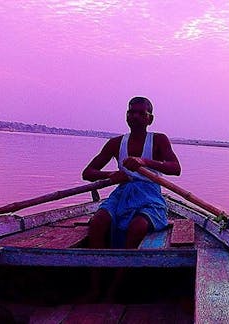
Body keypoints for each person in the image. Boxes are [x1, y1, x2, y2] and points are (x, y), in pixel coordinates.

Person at [81, 96, 181, 301]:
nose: (134, 116)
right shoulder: (116, 143)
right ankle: (95, 285)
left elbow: (175, 168)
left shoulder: (159, 139)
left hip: (150, 194)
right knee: (98, 222)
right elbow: (88, 172)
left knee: (137, 227)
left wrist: (144, 162)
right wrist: (110, 175)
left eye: (140, 113)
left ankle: (115, 287)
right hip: (122, 193)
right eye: (131, 112)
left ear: (149, 118)